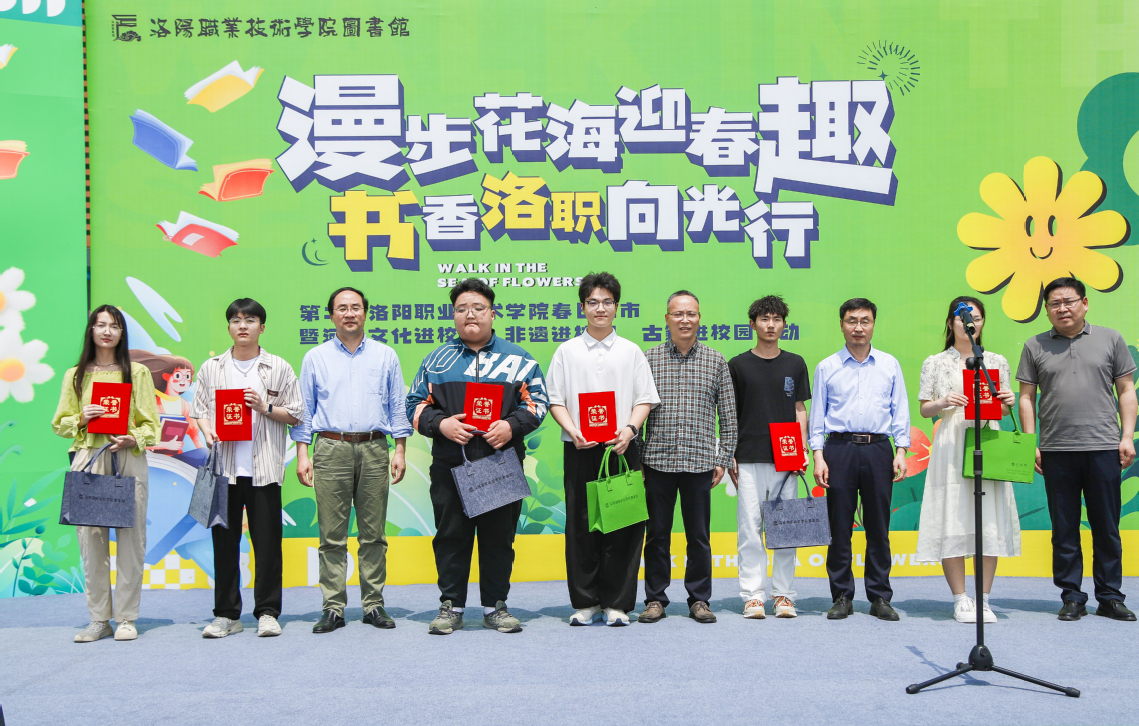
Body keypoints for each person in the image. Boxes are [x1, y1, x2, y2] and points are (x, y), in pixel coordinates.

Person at [406, 279, 549, 635]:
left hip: (500, 464)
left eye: (478, 308)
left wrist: (512, 426)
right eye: (462, 309)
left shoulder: (519, 359)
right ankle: (451, 606)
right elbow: (414, 405)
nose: (470, 314)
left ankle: (495, 606)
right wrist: (441, 425)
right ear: (453, 315)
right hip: (451, 465)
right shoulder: (437, 360)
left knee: (498, 539)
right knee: (450, 537)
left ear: (492, 313)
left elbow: (538, 403)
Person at [292, 287, 412, 633]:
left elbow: (397, 405)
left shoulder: (385, 355)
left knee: (374, 534)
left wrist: (399, 449)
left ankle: (373, 604)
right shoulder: (315, 357)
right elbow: (305, 410)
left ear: (365, 313)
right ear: (331, 315)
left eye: (356, 307)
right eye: (342, 308)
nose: (349, 313)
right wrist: (303, 454)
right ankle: (333, 607)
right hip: (330, 448)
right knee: (332, 536)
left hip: (374, 448)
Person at [1017, 277, 1137, 622]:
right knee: (1064, 528)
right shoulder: (1035, 345)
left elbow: (1126, 390)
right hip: (1056, 450)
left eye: (1068, 301)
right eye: (1054, 303)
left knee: (1106, 527)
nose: (1062, 309)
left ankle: (1110, 596)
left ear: (1084, 303)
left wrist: (1127, 436)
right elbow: (1026, 397)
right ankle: (1071, 596)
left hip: (1103, 447)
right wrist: (1031, 442)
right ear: (1047, 310)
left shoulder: (1110, 339)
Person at [547, 271, 660, 626]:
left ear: (616, 307)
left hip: (621, 449)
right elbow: (555, 400)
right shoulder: (566, 351)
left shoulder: (631, 351)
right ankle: (586, 602)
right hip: (580, 449)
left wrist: (630, 430)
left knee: (624, 526)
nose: (600, 308)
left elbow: (644, 399)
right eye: (593, 302)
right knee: (581, 527)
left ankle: (617, 604)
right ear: (582, 307)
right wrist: (572, 430)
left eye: (607, 302)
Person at [190, 299, 302, 638]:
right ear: (229, 327)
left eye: (250, 320)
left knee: (267, 546)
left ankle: (267, 612)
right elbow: (199, 410)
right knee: (224, 545)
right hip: (224, 470)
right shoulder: (212, 368)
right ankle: (227, 615)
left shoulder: (278, 367)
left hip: (264, 470)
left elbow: (295, 414)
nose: (243, 325)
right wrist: (207, 430)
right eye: (236, 320)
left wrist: (265, 406)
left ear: (261, 327)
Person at [52, 305, 159, 642]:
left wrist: (133, 438)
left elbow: (152, 426)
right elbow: (60, 424)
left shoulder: (137, 372)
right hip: (88, 455)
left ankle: (126, 618)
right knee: (91, 540)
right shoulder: (75, 374)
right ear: (92, 331)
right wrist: (82, 418)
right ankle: (99, 619)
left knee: (131, 538)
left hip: (127, 456)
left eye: (114, 326)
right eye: (101, 325)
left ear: (122, 333)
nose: (107, 331)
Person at [916, 296, 1020, 624]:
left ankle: (984, 599)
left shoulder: (996, 361)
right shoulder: (935, 362)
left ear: (982, 322)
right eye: (961, 317)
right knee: (952, 517)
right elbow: (925, 409)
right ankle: (960, 599)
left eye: (974, 317)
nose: (967, 322)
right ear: (951, 323)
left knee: (987, 520)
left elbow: (1003, 407)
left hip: (987, 439)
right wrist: (944, 401)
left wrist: (1008, 401)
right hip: (951, 443)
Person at [809, 298, 910, 621]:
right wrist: (818, 455)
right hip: (839, 449)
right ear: (841, 325)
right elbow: (817, 416)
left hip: (879, 449)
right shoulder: (827, 367)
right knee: (839, 526)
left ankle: (879, 596)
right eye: (852, 321)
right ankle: (842, 596)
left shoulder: (889, 365)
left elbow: (900, 409)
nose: (858, 327)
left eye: (865, 321)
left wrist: (901, 450)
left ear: (873, 325)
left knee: (878, 526)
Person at [639, 290, 736, 625]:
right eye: (678, 314)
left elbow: (728, 415)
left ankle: (699, 599)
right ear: (667, 319)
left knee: (699, 537)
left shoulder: (715, 360)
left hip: (699, 463)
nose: (685, 320)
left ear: (699, 318)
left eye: (691, 313)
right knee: (657, 535)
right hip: (657, 461)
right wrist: (637, 457)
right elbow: (635, 409)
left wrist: (723, 458)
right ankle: (655, 599)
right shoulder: (648, 359)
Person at [727, 295, 810, 620]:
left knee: (786, 529)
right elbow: (730, 414)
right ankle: (753, 596)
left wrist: (802, 450)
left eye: (776, 319)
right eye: (764, 319)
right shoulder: (737, 365)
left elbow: (799, 409)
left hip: (786, 459)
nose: (771, 325)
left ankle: (784, 595)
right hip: (748, 458)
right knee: (750, 529)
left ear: (784, 325)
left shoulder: (795, 363)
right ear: (753, 324)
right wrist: (730, 453)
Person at [131, 350, 204, 454]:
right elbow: (135, 439)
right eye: (178, 376)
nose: (183, 380)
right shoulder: (152, 404)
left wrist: (204, 453)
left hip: (176, 457)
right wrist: (164, 445)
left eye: (187, 376)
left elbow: (195, 434)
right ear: (166, 376)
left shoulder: (184, 406)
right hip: (151, 457)